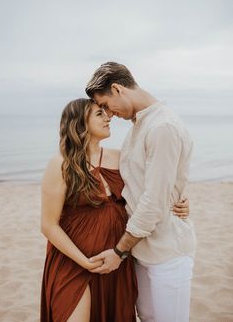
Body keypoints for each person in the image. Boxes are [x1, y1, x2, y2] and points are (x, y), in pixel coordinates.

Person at [40, 98, 189, 322]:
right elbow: (48, 225)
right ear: (79, 122)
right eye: (99, 114)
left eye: (106, 112)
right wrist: (84, 262)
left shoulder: (121, 158)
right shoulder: (61, 164)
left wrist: (181, 202)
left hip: (116, 261)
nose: (108, 117)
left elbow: (155, 189)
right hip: (72, 262)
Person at [85, 62, 197, 322]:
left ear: (117, 89)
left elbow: (154, 201)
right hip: (142, 250)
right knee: (147, 317)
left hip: (167, 253)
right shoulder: (139, 126)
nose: (108, 114)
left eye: (105, 105)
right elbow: (146, 187)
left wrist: (119, 252)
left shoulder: (162, 127)